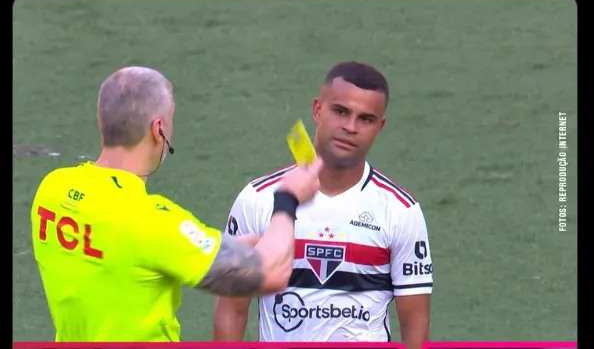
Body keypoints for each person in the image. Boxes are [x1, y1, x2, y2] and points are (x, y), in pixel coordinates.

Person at [31, 66, 322, 342]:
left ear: (101, 118)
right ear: (158, 129)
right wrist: (288, 198)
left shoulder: (52, 189)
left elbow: (125, 249)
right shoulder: (152, 221)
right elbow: (271, 275)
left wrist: (239, 245)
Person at [213, 61, 433, 349]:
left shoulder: (401, 211)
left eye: (365, 119)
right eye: (340, 111)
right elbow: (232, 309)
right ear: (318, 110)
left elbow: (415, 323)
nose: (350, 127)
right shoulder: (257, 200)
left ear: (379, 127)